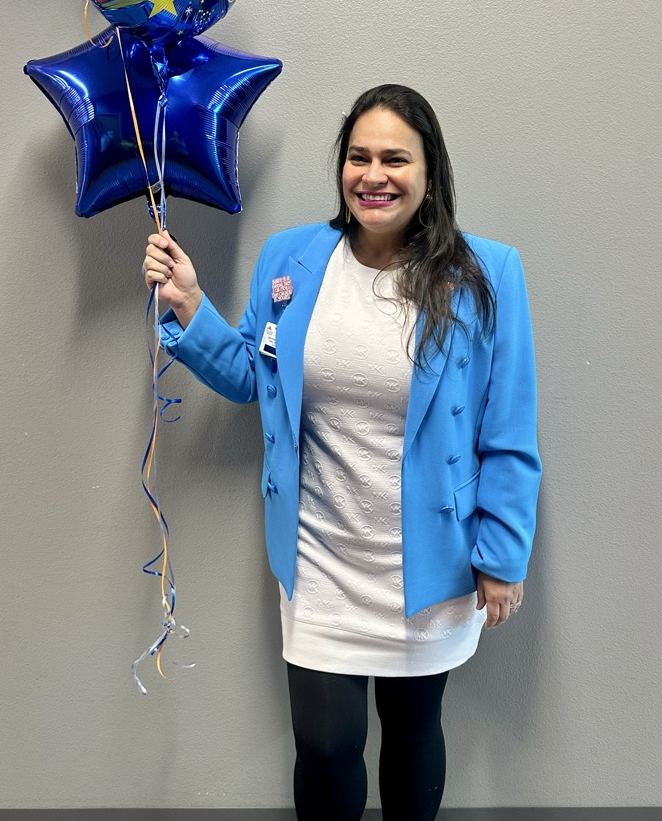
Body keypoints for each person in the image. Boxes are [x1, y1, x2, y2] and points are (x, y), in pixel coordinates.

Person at [143, 84, 542, 821]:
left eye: (396, 157)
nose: (374, 174)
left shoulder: (486, 273)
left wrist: (503, 556)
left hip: (432, 566)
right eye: (359, 156)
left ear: (430, 172)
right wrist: (192, 305)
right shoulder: (291, 258)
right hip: (321, 560)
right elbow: (249, 379)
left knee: (414, 733)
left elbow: (508, 429)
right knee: (325, 749)